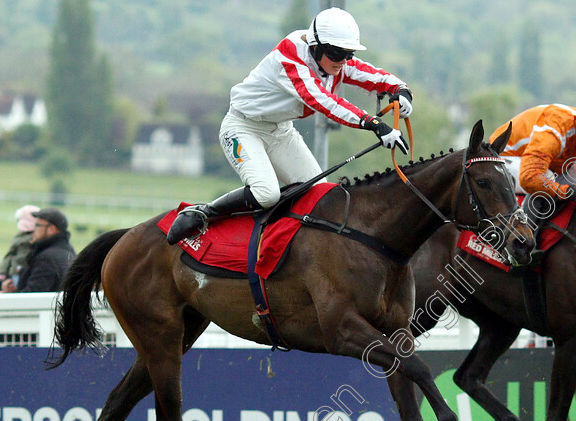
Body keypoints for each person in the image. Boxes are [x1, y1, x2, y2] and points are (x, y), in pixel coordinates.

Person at [167, 7, 412, 244]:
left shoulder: (330, 57)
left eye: (348, 54)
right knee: (266, 194)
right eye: (338, 54)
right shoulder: (290, 56)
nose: (344, 61)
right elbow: (324, 102)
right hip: (242, 128)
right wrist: (374, 124)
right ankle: (204, 213)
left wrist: (399, 89)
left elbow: (366, 72)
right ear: (316, 47)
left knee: (321, 198)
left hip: (281, 132)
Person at [487, 94, 576, 233]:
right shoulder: (553, 134)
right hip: (500, 158)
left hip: (532, 160)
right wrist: (570, 192)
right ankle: (522, 243)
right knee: (546, 178)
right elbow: (529, 179)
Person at [0, 207, 75, 293]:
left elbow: (30, 297)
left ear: (51, 229)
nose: (33, 230)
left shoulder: (46, 258)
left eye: (37, 225)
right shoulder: (69, 252)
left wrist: (8, 295)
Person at [0, 204, 40, 291]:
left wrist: (2, 272)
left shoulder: (18, 238)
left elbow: (8, 256)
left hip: (20, 270)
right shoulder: (29, 239)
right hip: (19, 271)